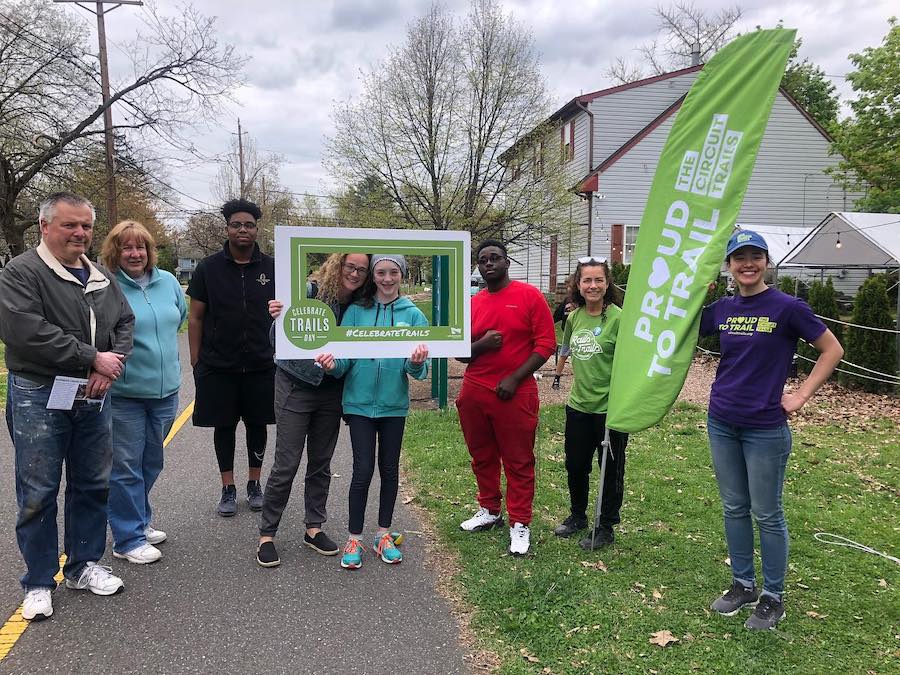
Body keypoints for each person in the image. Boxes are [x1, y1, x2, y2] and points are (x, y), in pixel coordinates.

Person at [0, 192, 134, 620]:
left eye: (86, 226)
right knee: (38, 491)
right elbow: (25, 332)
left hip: (93, 394)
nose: (80, 233)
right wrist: (90, 356)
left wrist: (108, 367)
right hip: (40, 393)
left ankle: (82, 565)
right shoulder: (21, 272)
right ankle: (39, 581)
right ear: (45, 227)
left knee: (93, 483)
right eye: (69, 225)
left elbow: (125, 324)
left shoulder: (101, 277)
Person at [700, 230, 843, 631]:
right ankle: (743, 584)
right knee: (733, 507)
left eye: (755, 256)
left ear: (766, 262)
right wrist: (696, 290)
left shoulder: (787, 307)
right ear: (729, 265)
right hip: (722, 420)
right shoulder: (722, 309)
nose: (747, 264)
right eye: (739, 257)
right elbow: (683, 329)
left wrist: (800, 396)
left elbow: (832, 350)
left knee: (767, 513)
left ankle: (773, 597)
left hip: (764, 426)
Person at [256, 252, 371, 568]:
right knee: (286, 463)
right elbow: (276, 339)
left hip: (332, 389)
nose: (356, 273)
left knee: (321, 462)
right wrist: (279, 316)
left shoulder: (364, 305)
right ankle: (267, 535)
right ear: (339, 265)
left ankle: (313, 528)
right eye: (351, 266)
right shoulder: (310, 292)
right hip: (295, 382)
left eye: (363, 269)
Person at [316, 254, 429, 570]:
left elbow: (418, 372)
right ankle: (355, 538)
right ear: (373, 276)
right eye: (381, 272)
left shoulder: (414, 315)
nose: (387, 278)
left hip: (394, 405)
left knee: (389, 469)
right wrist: (330, 365)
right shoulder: (355, 312)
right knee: (363, 470)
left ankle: (383, 535)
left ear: (402, 274)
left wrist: (417, 362)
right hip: (360, 405)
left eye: (394, 272)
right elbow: (343, 362)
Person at [457, 240, 556, 556]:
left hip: (515, 393)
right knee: (481, 454)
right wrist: (481, 345)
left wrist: (515, 377)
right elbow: (460, 354)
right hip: (475, 390)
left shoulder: (529, 296)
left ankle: (520, 523)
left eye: (495, 258)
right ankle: (490, 509)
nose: (489, 264)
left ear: (507, 262)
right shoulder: (473, 303)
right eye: (483, 259)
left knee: (518, 461)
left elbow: (546, 344)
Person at [101, 221, 187, 564]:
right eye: (126, 248)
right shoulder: (106, 286)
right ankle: (127, 538)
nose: (135, 254)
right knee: (124, 467)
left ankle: (139, 519)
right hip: (126, 394)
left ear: (150, 251)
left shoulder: (167, 281)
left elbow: (177, 318)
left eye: (141, 247)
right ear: (115, 252)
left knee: (151, 461)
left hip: (166, 392)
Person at [187, 199, 275, 517]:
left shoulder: (272, 268)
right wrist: (196, 361)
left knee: (257, 424)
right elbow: (195, 317)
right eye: (236, 224)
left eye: (248, 225)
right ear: (227, 229)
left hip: (261, 365)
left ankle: (254, 483)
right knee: (223, 426)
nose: (243, 230)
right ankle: (228, 487)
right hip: (218, 365)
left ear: (256, 230)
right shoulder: (208, 269)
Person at [550, 258, 629, 550]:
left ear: (607, 284)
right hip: (579, 407)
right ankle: (577, 516)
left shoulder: (621, 319)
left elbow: (631, 362)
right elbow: (567, 348)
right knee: (575, 464)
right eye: (587, 281)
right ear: (578, 285)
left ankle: (606, 525)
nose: (593, 286)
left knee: (610, 469)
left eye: (598, 280)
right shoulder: (574, 318)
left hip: (610, 410)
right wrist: (557, 375)